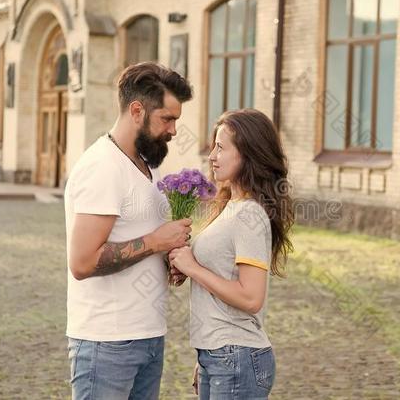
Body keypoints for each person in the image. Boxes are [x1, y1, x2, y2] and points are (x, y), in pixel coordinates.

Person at [63, 62, 193, 400]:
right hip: (107, 344)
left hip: (148, 337)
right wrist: (155, 242)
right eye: (167, 119)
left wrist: (170, 260)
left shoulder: (144, 166)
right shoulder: (103, 167)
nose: (174, 131)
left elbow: (137, 240)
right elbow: (82, 262)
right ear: (137, 111)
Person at [168, 108, 294, 399]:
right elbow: (221, 276)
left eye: (221, 147)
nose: (212, 155)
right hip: (219, 355)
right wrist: (206, 358)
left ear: (248, 154)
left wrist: (193, 268)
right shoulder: (232, 207)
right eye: (213, 146)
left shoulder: (250, 215)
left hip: (235, 356)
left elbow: (251, 298)